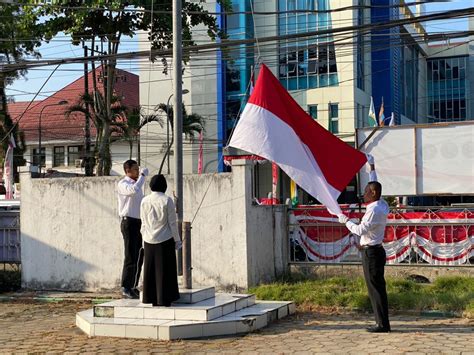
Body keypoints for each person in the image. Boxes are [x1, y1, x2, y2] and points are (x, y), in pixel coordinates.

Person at [338, 154, 391, 333]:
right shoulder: (381, 204)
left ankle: (382, 325)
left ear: (373, 194)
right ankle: (382, 323)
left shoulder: (374, 210)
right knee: (377, 288)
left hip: (372, 253)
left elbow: (360, 229)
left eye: (367, 191)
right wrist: (372, 168)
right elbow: (375, 184)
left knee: (375, 290)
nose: (364, 193)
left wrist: (345, 220)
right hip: (374, 250)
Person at [140, 174, 182, 307]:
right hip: (165, 238)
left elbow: (143, 222)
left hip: (148, 239)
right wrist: (177, 240)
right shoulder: (167, 200)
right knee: (166, 270)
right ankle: (165, 299)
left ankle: (151, 298)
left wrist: (144, 237)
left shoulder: (144, 200)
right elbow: (172, 223)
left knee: (150, 269)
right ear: (164, 186)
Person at [117, 160, 149, 299]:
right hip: (128, 222)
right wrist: (142, 176)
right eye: (135, 169)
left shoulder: (137, 184)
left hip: (137, 222)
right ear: (127, 170)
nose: (138, 171)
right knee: (130, 255)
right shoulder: (123, 184)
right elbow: (133, 191)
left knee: (139, 255)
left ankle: (133, 285)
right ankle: (126, 286)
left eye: (138, 169)